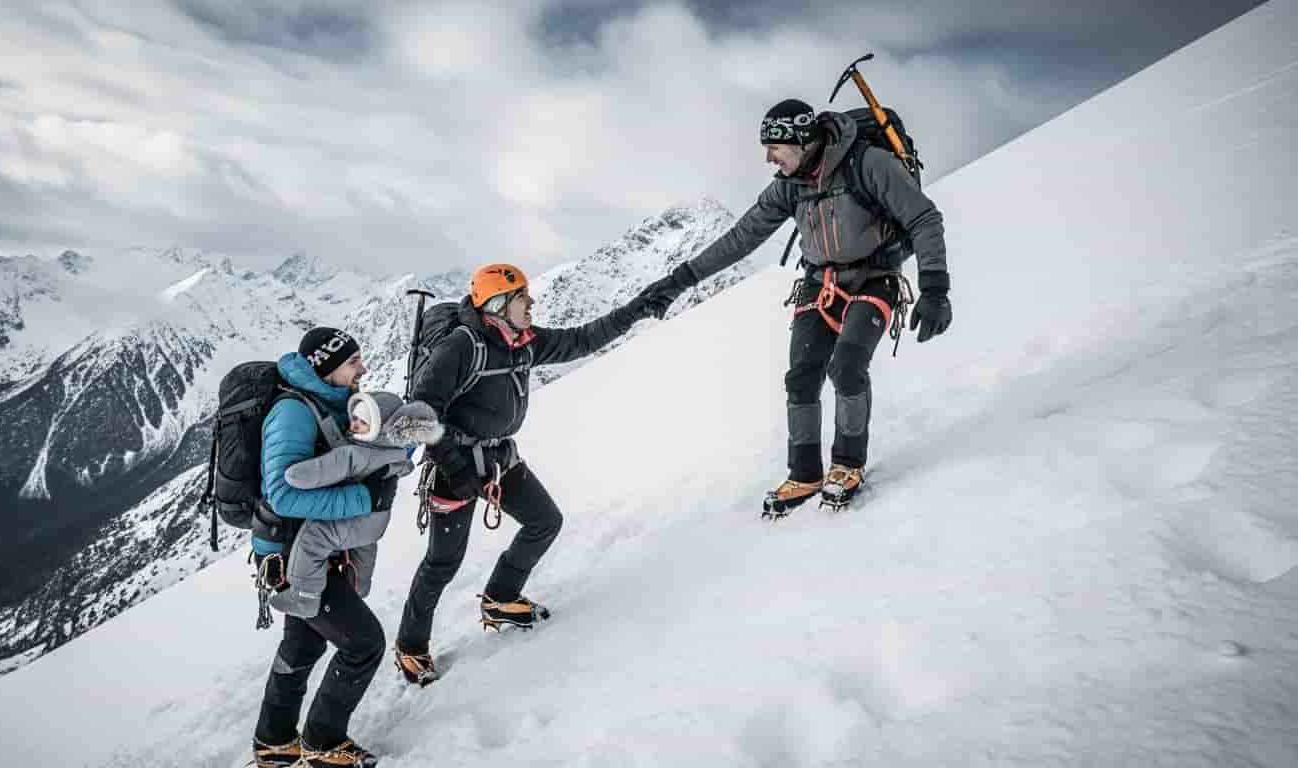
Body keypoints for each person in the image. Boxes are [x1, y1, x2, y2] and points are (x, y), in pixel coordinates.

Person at [639, 98, 953, 514]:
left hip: (876, 276)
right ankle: (804, 473)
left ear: (803, 141)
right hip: (818, 282)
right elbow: (740, 239)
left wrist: (934, 288)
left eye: (775, 148)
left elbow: (924, 219)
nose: (769, 158)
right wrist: (677, 282)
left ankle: (847, 465)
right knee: (801, 378)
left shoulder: (869, 164)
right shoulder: (789, 186)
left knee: (846, 368)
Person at [392, 263, 664, 686]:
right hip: (455, 467)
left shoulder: (524, 342)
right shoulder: (463, 346)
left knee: (545, 522)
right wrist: (454, 467)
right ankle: (410, 646)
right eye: (523, 298)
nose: (531, 303)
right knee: (443, 562)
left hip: (500, 459)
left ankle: (500, 597)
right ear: (498, 306)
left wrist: (635, 311)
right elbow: (417, 417)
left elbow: (583, 338)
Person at [250, 327, 392, 768]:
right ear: (325, 368)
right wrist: (362, 500)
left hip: (309, 551)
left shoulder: (327, 402)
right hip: (295, 554)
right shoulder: (293, 413)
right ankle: (323, 743)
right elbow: (282, 494)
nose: (362, 369)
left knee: (303, 646)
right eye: (353, 362)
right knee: (364, 644)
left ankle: (273, 742)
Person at [269, 391, 444, 619]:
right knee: (364, 548)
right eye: (355, 418)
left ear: (379, 427)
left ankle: (305, 597)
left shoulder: (355, 454)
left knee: (314, 537)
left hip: (357, 520)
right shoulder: (396, 451)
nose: (354, 424)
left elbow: (317, 472)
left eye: (363, 422)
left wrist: (293, 475)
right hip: (376, 523)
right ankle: (359, 587)